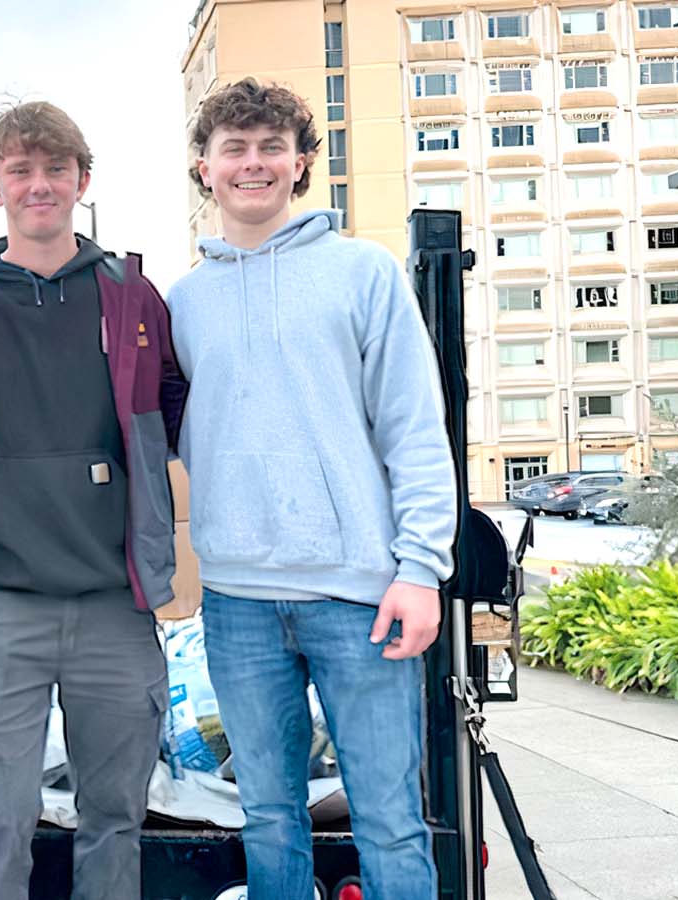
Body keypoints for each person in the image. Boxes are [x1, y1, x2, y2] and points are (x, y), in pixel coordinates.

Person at [167, 78, 457, 900]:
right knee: (266, 815)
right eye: (234, 148)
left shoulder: (363, 273)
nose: (252, 164)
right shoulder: (184, 302)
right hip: (237, 601)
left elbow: (412, 427)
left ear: (300, 163)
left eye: (270, 148)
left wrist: (419, 568)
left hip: (358, 595)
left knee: (390, 819)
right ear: (204, 167)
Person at [0, 101, 187, 900]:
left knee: (115, 816)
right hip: (1, 608)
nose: (39, 186)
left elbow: (173, 409)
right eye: (20, 172)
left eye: (54, 170)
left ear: (82, 181)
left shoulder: (131, 298)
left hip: (115, 605)